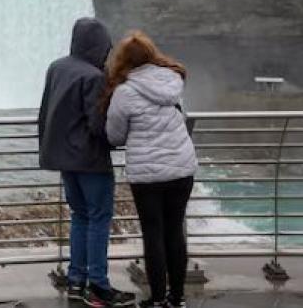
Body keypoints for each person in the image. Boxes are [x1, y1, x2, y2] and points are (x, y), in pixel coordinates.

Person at [37, 17, 135, 307]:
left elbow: (45, 111)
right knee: (99, 219)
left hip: (65, 159)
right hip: (91, 161)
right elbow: (98, 125)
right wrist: (118, 139)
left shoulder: (57, 68)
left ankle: (76, 281)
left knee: (80, 217)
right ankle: (99, 286)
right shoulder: (94, 77)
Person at [104, 31, 198, 308]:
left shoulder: (124, 92)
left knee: (153, 233)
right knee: (175, 231)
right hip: (182, 169)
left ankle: (157, 299)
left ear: (123, 61)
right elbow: (182, 118)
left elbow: (115, 136)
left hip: (147, 176)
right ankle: (177, 298)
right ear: (152, 54)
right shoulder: (173, 81)